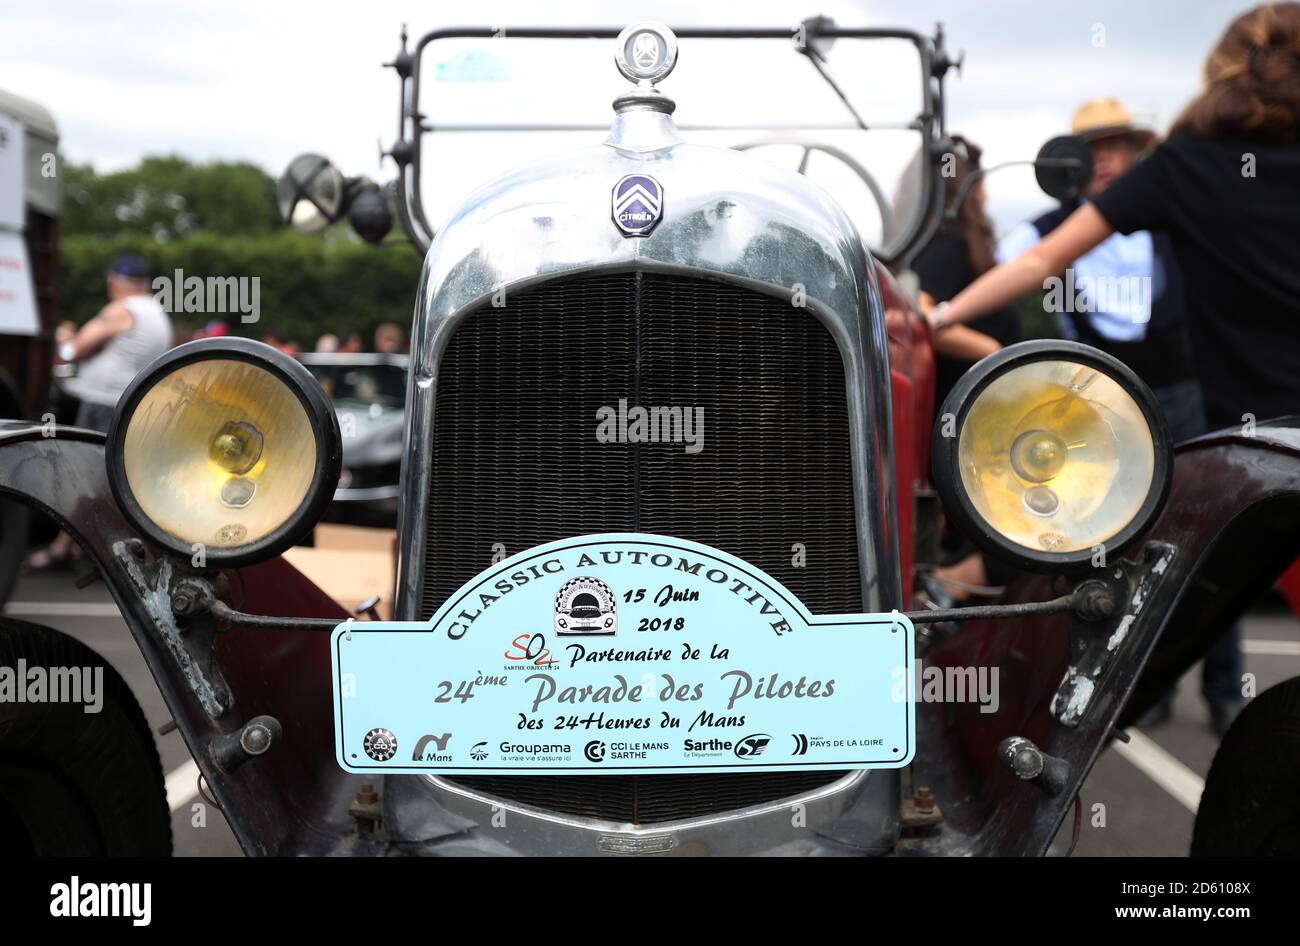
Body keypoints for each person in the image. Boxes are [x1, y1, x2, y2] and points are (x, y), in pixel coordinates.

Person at [925, 2, 1300, 734]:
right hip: (1155, 412)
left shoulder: (1184, 167)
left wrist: (936, 317)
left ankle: (1133, 699)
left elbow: (1040, 264)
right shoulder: (1168, 171)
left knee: (1194, 562)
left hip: (1259, 439)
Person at [997, 99, 1203, 441]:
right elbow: (999, 265)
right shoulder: (1048, 229)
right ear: (1071, 161)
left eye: (1115, 145)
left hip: (1179, 388)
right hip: (1094, 396)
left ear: (1134, 153)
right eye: (1091, 149)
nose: (1103, 158)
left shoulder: (1169, 217)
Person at [913, 136, 1021, 605]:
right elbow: (921, 311)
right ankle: (946, 589)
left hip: (980, 414)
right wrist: (994, 351)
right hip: (966, 417)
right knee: (1015, 534)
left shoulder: (960, 242)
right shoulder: (945, 244)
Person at [26, 254, 172, 573]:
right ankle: (75, 548)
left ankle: (70, 550)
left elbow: (75, 349)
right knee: (104, 481)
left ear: (113, 282)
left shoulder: (122, 309)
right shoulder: (156, 312)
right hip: (126, 403)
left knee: (83, 479)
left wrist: (65, 343)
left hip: (102, 404)